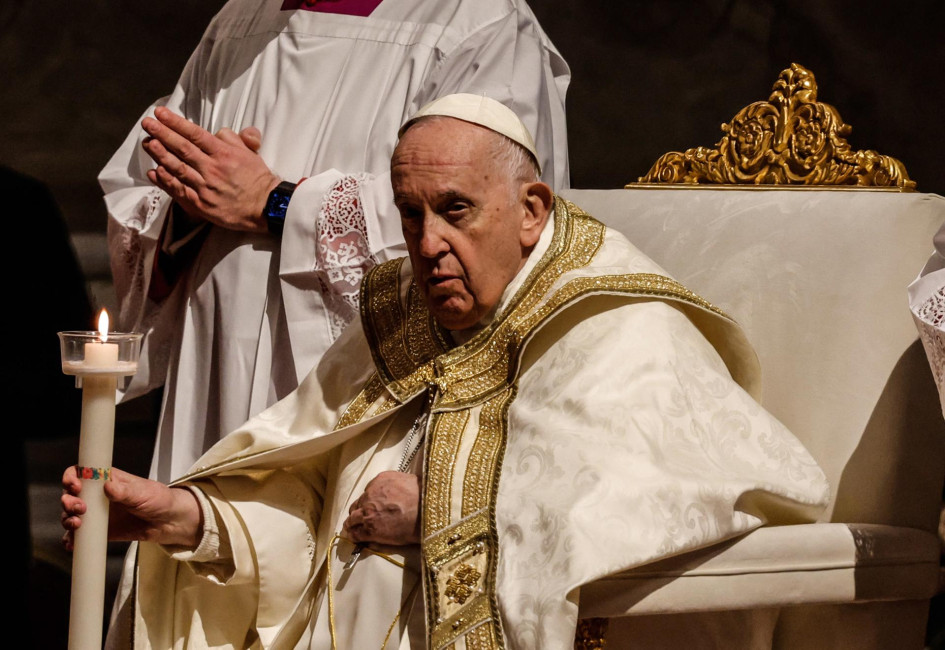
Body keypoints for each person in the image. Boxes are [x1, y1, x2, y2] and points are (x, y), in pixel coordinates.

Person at [67, 95, 829, 649]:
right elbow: (318, 504)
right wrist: (195, 523)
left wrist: (442, 512)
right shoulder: (402, 314)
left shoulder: (616, 328)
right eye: (408, 212)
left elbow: (682, 503)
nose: (426, 243)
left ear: (531, 209)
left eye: (455, 210)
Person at [101, 0, 570, 483]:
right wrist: (187, 199)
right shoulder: (239, 21)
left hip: (354, 398)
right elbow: (139, 195)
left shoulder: (478, 22)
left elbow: (483, 214)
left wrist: (275, 202)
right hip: (214, 363)